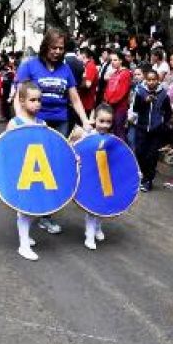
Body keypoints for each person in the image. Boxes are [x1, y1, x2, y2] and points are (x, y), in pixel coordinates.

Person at [14, 28, 93, 235]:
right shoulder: (29, 65)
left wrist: (85, 122)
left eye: (61, 48)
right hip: (34, 121)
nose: (58, 52)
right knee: (32, 166)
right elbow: (18, 96)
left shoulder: (65, 69)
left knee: (53, 168)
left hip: (60, 122)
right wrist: (21, 120)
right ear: (45, 47)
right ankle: (25, 209)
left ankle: (46, 214)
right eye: (54, 48)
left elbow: (74, 98)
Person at [6, 81, 46, 260]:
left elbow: (48, 148)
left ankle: (26, 235)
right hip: (22, 171)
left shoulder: (42, 123)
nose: (37, 103)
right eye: (32, 100)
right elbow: (5, 150)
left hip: (38, 171)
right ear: (22, 101)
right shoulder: (14, 123)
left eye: (39, 100)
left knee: (35, 206)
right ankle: (23, 245)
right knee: (24, 208)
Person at [72, 103, 115, 250]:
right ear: (94, 120)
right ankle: (89, 235)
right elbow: (73, 148)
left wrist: (134, 172)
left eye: (108, 121)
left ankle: (97, 227)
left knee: (102, 204)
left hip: (104, 178)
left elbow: (120, 159)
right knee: (91, 207)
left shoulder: (112, 139)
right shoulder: (87, 135)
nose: (104, 125)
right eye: (101, 121)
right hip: (90, 177)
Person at [132, 69, 172, 192]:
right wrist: (145, 101)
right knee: (140, 153)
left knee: (152, 156)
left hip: (156, 131)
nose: (151, 82)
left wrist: (162, 123)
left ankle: (148, 180)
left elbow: (168, 112)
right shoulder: (140, 92)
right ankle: (141, 176)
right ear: (145, 80)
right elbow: (135, 108)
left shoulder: (163, 94)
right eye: (148, 80)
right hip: (142, 128)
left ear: (158, 81)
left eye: (153, 80)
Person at [103, 51, 132, 141]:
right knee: (115, 130)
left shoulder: (125, 73)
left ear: (121, 61)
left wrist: (109, 102)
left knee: (119, 131)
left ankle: (123, 152)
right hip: (112, 106)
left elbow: (121, 92)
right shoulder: (115, 73)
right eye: (111, 60)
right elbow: (108, 89)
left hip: (119, 108)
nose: (112, 62)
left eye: (115, 60)